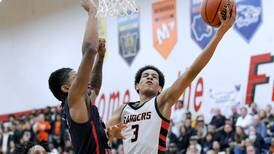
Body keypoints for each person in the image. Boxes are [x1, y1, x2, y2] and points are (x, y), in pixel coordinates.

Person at [107, 4, 237, 154]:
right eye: (145, 76)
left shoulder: (162, 101)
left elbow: (191, 72)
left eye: (154, 77)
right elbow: (101, 137)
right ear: (137, 86)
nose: (150, 77)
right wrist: (109, 134)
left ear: (160, 88)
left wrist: (218, 35)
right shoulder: (123, 109)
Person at [48, 0, 124, 153]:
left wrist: (101, 58)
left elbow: (94, 86)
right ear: (66, 87)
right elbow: (89, 50)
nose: (84, 80)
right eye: (77, 77)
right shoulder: (74, 99)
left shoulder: (83, 103)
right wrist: (92, 11)